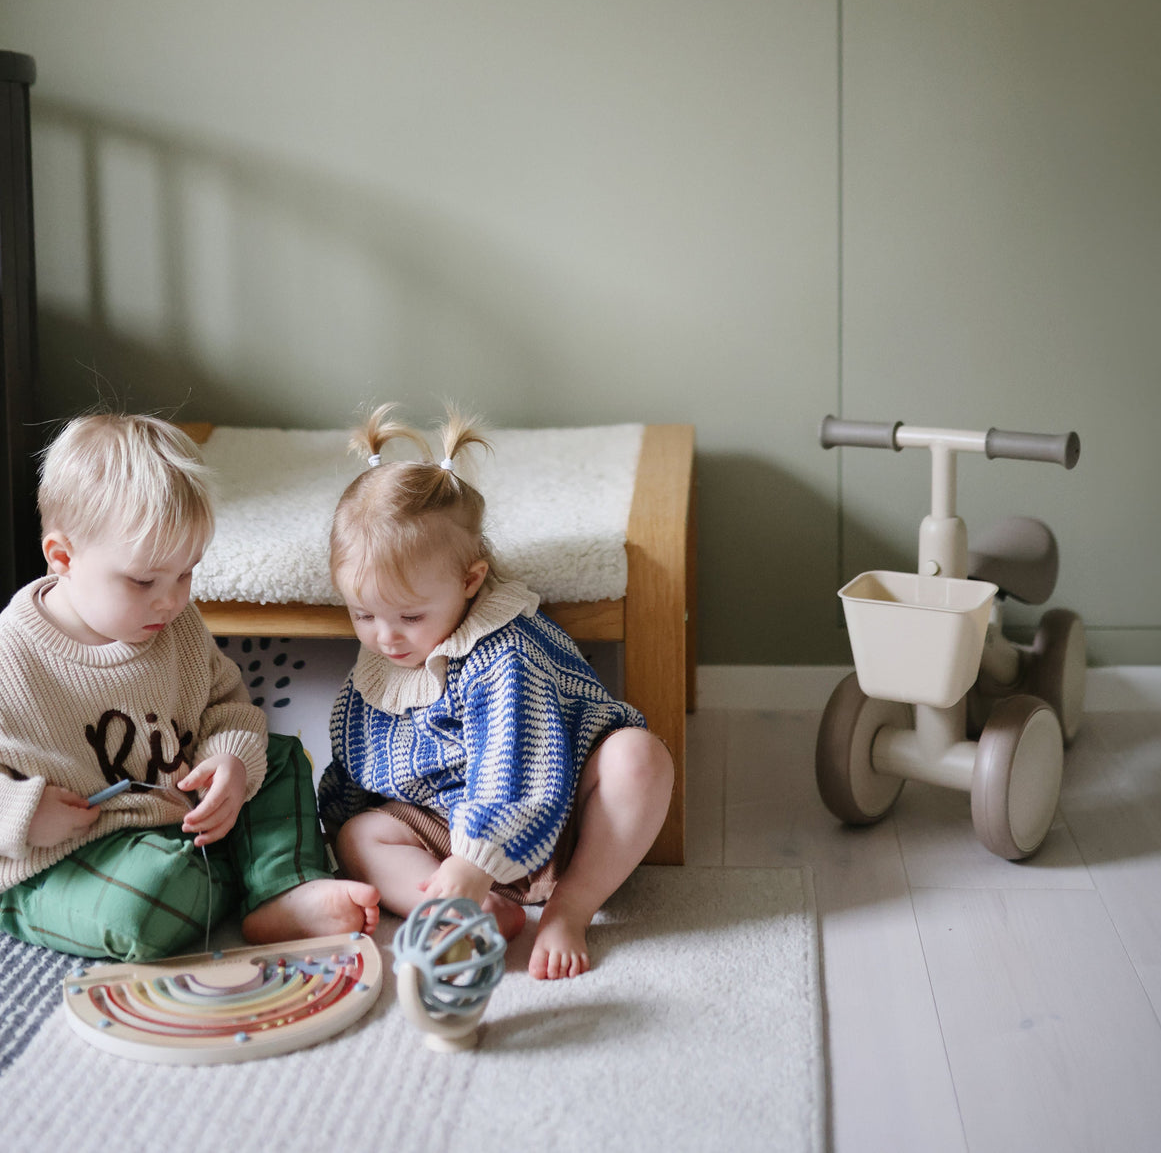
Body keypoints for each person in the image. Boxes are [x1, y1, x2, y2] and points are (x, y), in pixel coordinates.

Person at [0, 413, 379, 961]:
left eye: (187, 573)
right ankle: (246, 876)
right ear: (62, 557)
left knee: (277, 758)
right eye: (144, 580)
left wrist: (230, 763)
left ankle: (284, 888)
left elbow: (227, 708)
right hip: (65, 856)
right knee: (144, 906)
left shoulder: (174, 625)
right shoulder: (13, 654)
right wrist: (23, 813)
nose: (172, 599)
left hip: (177, 822)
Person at [319, 404, 673, 980]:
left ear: (470, 581)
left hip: (555, 814)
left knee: (640, 758)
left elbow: (516, 763)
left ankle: (570, 908)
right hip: (450, 829)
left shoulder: (504, 653)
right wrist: (331, 829)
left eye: (408, 615)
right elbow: (358, 764)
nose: (385, 637)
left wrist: (475, 857)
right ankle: (470, 907)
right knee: (361, 834)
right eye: (362, 614)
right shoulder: (383, 661)